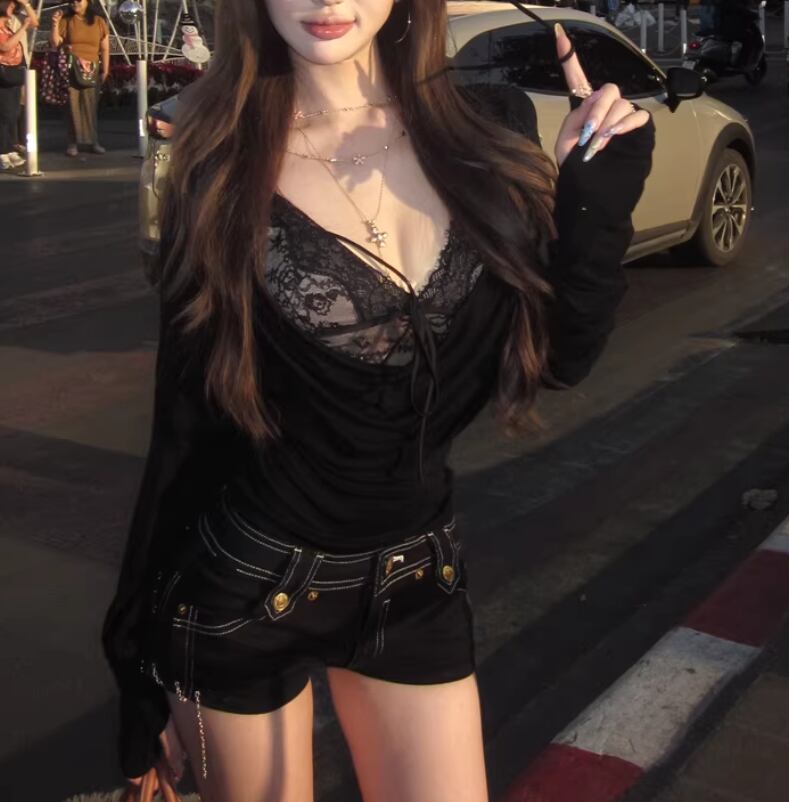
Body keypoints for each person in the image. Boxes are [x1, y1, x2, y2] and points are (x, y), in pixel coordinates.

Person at [101, 1, 655, 800]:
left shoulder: (487, 133)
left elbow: (558, 360)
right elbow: (184, 430)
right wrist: (137, 660)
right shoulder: (217, 163)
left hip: (418, 583)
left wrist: (595, 203)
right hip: (243, 590)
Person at [49, 0, 109, 156]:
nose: (75, 3)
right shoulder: (67, 20)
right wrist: (55, 24)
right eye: (72, 1)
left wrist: (105, 69)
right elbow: (56, 43)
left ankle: (93, 141)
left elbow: (104, 47)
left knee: (91, 106)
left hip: (92, 69)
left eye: (79, 0)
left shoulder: (99, 21)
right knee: (72, 106)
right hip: (71, 68)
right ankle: (73, 142)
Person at [0, 0, 34, 170]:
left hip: (14, 74)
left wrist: (25, 5)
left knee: (12, 113)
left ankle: (9, 148)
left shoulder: (8, 26)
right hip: (3, 75)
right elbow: (5, 46)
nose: (12, 7)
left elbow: (34, 21)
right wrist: (23, 27)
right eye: (10, 4)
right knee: (3, 115)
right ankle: (2, 151)